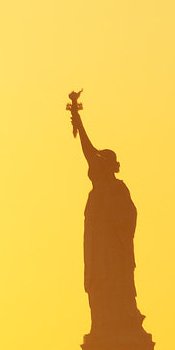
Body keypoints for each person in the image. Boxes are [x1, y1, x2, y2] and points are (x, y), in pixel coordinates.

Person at [69, 94, 143, 335]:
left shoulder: (118, 189)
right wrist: (77, 119)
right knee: (98, 283)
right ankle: (100, 324)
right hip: (97, 246)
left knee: (116, 282)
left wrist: (119, 230)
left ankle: (123, 321)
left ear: (110, 166)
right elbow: (88, 150)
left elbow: (130, 217)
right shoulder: (100, 188)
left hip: (115, 249)